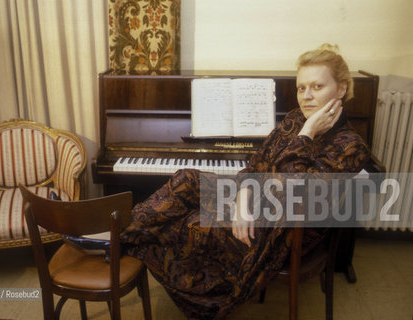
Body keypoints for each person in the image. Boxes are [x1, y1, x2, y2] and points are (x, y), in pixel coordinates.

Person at [121, 44, 370, 319]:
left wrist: (307, 133)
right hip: (258, 203)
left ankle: (201, 301)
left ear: (342, 89)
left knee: (188, 223)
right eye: (301, 88)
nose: (306, 97)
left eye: (317, 86)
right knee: (185, 179)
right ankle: (123, 237)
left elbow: (294, 190)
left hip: (282, 230)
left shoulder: (350, 147)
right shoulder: (294, 119)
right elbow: (256, 165)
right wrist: (242, 200)